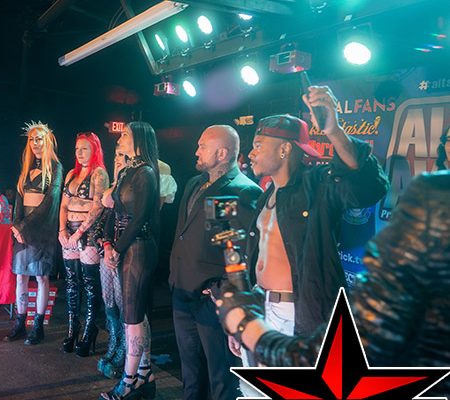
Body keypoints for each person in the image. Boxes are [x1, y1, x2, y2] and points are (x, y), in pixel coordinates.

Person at [210, 170, 450, 397]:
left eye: (401, 225)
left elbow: (316, 365)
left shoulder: (434, 196)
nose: (380, 246)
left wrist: (244, 324)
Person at [239, 86, 389, 396]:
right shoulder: (266, 194)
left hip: (299, 314)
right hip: (261, 307)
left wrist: (334, 131)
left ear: (284, 149)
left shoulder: (318, 186)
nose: (251, 153)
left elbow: (368, 186)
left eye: (258, 145)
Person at [169, 125, 262, 400]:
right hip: (182, 291)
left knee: (220, 377)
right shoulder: (194, 184)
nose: (196, 151)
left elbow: (240, 251)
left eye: (202, 146)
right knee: (190, 372)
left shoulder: (241, 191)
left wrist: (222, 291)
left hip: (211, 301)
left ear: (222, 153)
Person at [99, 121, 160, 400]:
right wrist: (109, 244)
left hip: (139, 247)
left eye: (125, 135)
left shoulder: (146, 173)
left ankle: (129, 379)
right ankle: (144, 371)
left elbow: (139, 219)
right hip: (125, 246)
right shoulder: (127, 171)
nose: (119, 138)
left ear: (139, 140)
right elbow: (114, 212)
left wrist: (117, 248)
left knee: (132, 316)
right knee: (135, 314)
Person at [4, 121, 63, 345]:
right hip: (23, 230)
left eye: (39, 139)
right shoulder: (26, 169)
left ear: (47, 141)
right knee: (20, 276)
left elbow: (50, 202)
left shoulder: (56, 168)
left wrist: (23, 226)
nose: (35, 143)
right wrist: (16, 225)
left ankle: (37, 326)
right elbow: (19, 200)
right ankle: (20, 322)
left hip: (42, 230)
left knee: (41, 277)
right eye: (32, 139)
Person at [59, 132, 109, 356]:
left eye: (84, 148)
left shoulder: (99, 173)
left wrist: (79, 232)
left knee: (89, 282)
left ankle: (90, 329)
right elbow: (63, 205)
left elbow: (98, 207)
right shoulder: (72, 174)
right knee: (71, 281)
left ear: (94, 150)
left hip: (87, 232)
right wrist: (62, 230)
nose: (79, 153)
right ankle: (73, 328)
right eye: (77, 149)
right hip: (69, 230)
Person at [95, 149, 128, 379]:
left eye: (121, 156)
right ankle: (114, 342)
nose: (116, 160)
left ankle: (124, 349)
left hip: (125, 252)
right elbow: (107, 220)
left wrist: (115, 249)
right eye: (115, 156)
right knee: (108, 299)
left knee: (122, 301)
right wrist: (106, 245)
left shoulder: (131, 188)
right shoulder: (113, 188)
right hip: (107, 250)